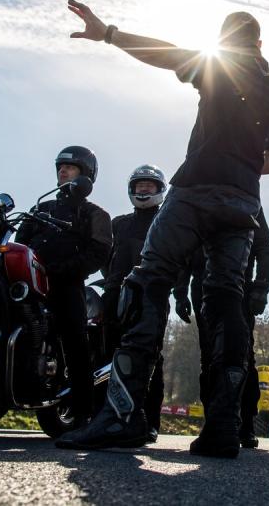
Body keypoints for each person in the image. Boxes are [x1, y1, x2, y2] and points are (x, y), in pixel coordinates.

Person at [56, 0, 269, 458]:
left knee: (146, 284)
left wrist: (109, 33)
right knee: (226, 301)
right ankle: (224, 429)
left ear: (226, 40)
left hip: (195, 191)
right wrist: (239, 169)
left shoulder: (221, 65)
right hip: (243, 203)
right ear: (261, 43)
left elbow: (164, 53)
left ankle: (122, 416)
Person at [15, 145, 113, 424]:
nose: (62, 171)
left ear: (86, 175)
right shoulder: (40, 209)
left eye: (70, 167)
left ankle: (82, 414)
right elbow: (20, 243)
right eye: (60, 167)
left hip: (66, 284)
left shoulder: (94, 213)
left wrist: (63, 270)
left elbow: (99, 252)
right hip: (32, 284)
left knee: (74, 339)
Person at [174, 208, 269, 448]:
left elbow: (265, 248)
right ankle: (213, 420)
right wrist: (179, 293)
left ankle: (245, 424)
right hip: (201, 286)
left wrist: (261, 286)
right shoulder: (198, 202)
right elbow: (184, 252)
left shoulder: (249, 202)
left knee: (242, 353)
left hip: (238, 284)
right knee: (208, 355)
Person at [99, 164, 168, 443]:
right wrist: (112, 286)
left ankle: (149, 421)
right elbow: (107, 257)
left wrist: (181, 290)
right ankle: (109, 415)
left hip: (151, 294)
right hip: (114, 293)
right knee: (108, 353)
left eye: (149, 186)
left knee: (151, 359)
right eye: (139, 185)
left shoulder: (166, 221)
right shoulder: (119, 223)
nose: (143, 189)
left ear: (159, 190)